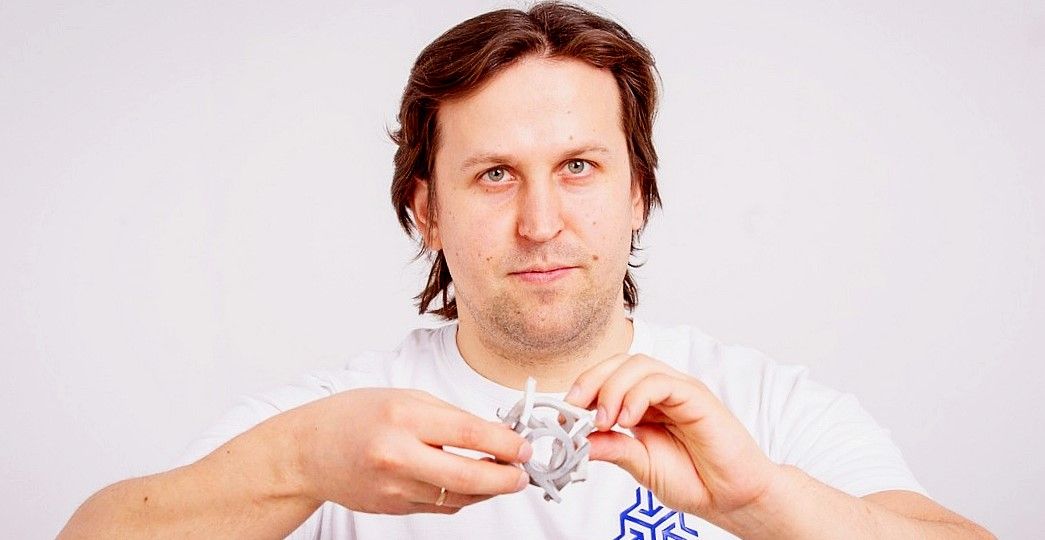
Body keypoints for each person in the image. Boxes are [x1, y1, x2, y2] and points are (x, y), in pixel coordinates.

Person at [60, 2, 992, 538]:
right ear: (427, 210)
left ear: (638, 193)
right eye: (494, 175)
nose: (541, 224)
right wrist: (297, 462)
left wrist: (757, 499)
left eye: (578, 167)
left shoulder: (770, 411)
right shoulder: (337, 427)